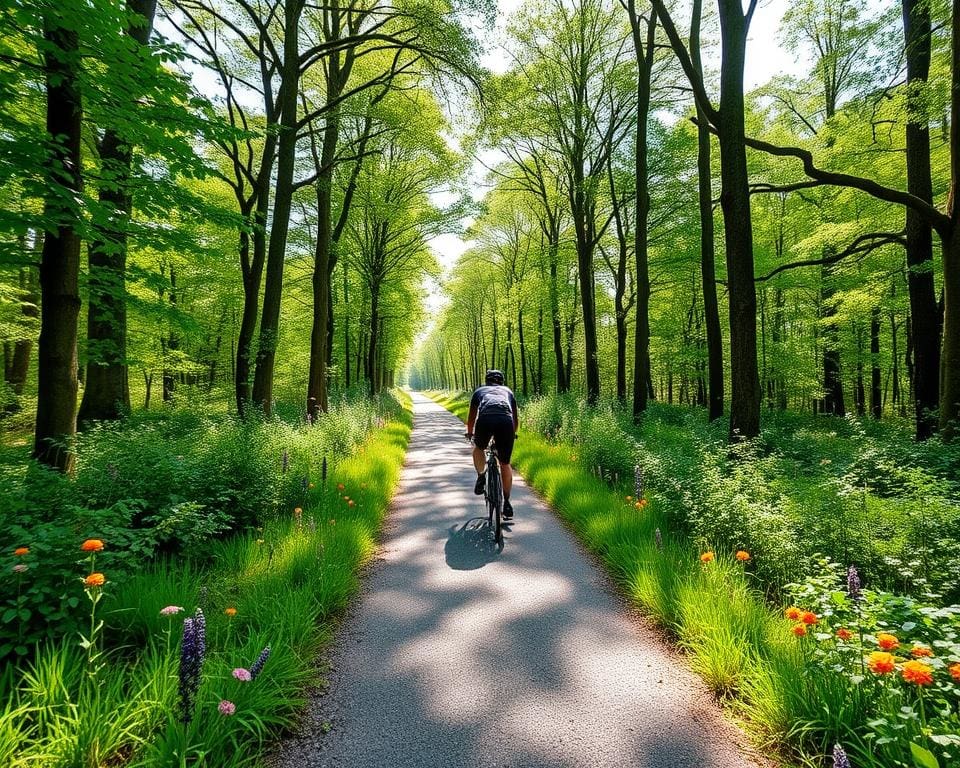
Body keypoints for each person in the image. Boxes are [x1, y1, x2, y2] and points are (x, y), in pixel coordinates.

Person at [465, 369, 519, 520]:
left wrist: (470, 433)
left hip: (485, 420)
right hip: (505, 422)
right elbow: (514, 417)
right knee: (505, 463)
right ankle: (507, 503)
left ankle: (481, 475)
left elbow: (472, 417)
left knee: (479, 448)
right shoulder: (508, 391)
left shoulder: (479, 391)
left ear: (486, 380)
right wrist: (512, 433)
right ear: (501, 381)